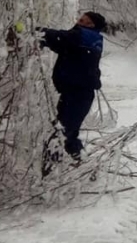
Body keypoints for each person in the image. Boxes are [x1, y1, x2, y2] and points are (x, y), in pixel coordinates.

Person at [40, 11, 106, 160]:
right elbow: (63, 45)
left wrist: (35, 31)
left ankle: (50, 169)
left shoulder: (84, 36)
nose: (79, 21)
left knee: (61, 134)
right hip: (75, 94)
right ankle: (81, 162)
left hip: (78, 95)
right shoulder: (90, 39)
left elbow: (61, 38)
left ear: (91, 25)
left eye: (83, 20)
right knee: (68, 133)